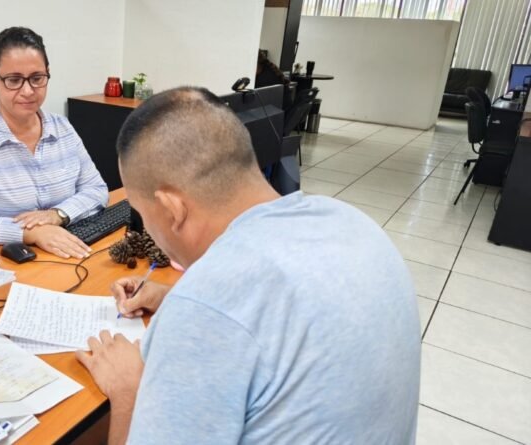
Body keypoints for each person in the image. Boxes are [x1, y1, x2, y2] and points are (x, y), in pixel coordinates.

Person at [75, 87, 420, 444]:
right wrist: (173, 298)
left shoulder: (206, 307)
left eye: (142, 214)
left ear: (171, 209)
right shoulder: (354, 223)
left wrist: (130, 391)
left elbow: (225, 312)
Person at [0, 27, 108, 259]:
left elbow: (96, 189)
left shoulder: (63, 128)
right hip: (0, 263)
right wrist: (29, 232)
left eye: (37, 78)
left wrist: (58, 214)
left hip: (57, 255)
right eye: (13, 80)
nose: (28, 91)